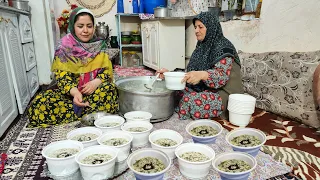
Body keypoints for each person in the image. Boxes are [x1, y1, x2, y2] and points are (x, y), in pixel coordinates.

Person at [27, 7, 119, 128]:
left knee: (110, 89)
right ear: (73, 26)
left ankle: (85, 112)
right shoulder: (64, 46)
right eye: (80, 26)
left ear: (93, 27)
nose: (85, 30)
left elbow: (106, 71)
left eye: (89, 26)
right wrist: (75, 92)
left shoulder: (99, 45)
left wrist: (96, 82)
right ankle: (91, 113)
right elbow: (62, 77)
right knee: (39, 103)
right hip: (69, 96)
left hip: (93, 93)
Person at [157, 11, 243, 120]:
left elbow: (221, 77)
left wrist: (202, 75)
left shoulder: (224, 47)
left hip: (225, 94)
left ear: (211, 27)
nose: (196, 30)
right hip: (204, 89)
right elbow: (191, 72)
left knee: (188, 101)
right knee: (172, 91)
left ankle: (180, 124)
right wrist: (169, 75)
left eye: (200, 27)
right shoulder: (202, 46)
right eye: (195, 27)